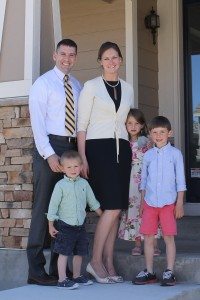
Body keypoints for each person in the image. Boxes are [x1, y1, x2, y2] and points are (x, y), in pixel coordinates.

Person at [77, 41, 134, 283]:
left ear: (120, 60)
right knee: (109, 207)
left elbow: (125, 122)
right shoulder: (90, 87)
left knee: (117, 209)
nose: (111, 62)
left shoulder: (128, 88)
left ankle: (109, 262)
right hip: (98, 149)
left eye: (115, 57)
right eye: (106, 58)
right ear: (100, 62)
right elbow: (81, 126)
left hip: (122, 149)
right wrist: (82, 157)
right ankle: (95, 261)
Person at [27, 39, 82, 285]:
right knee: (43, 209)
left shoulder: (77, 85)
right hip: (50, 146)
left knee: (64, 210)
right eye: (63, 54)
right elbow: (37, 122)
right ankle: (36, 272)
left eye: (71, 55)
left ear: (76, 58)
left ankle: (58, 271)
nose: (67, 58)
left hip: (71, 148)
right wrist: (48, 153)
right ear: (54, 55)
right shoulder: (43, 83)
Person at [133, 116, 186, 286]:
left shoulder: (175, 154)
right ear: (150, 134)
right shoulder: (148, 155)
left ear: (169, 133)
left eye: (162, 132)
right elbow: (144, 181)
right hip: (149, 203)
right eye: (154, 132)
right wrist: (142, 202)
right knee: (148, 237)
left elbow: (181, 181)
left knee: (168, 237)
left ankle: (169, 271)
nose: (158, 135)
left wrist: (179, 203)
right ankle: (149, 272)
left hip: (168, 203)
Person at [47, 150, 102, 289]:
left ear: (81, 166)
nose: (73, 169)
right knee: (64, 252)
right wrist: (51, 225)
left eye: (76, 166)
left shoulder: (84, 184)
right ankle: (61, 279)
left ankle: (76, 276)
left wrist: (103, 215)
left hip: (80, 226)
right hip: (65, 226)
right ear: (63, 168)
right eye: (69, 167)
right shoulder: (60, 186)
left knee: (80, 252)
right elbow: (53, 206)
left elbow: (92, 201)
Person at [118, 109, 161, 256]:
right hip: (130, 183)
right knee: (135, 210)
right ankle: (137, 243)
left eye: (137, 123)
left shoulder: (147, 142)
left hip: (146, 180)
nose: (133, 126)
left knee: (149, 210)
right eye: (129, 123)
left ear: (142, 125)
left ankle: (153, 243)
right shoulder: (123, 143)